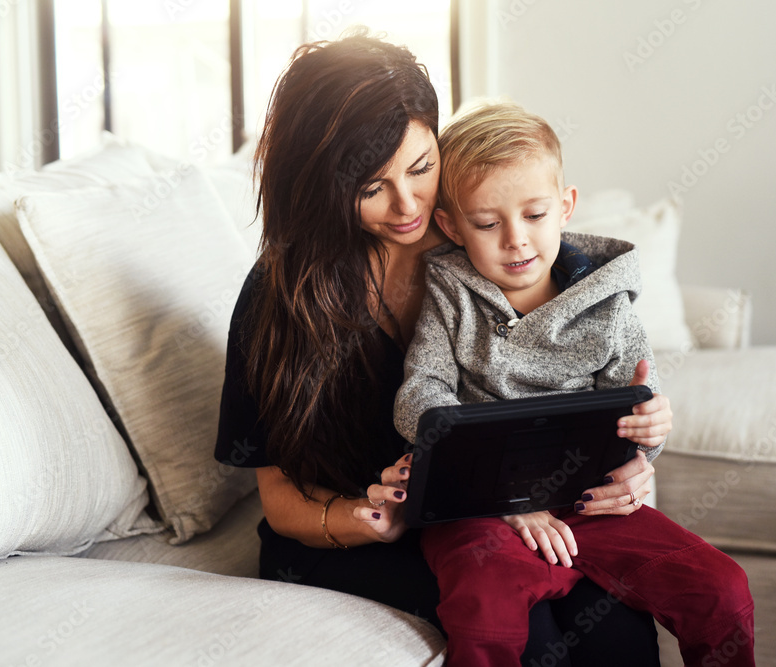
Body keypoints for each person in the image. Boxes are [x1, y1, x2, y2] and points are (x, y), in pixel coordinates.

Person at [213, 31, 672, 665]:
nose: (409, 205)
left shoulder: (485, 251)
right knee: (528, 630)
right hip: (363, 539)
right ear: (319, 185)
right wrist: (360, 519)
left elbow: (578, 402)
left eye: (422, 167)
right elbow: (279, 496)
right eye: (372, 187)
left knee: (618, 625)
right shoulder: (279, 298)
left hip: (497, 519)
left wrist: (629, 465)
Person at [391, 102, 755, 667]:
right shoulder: (449, 292)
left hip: (590, 505)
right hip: (480, 506)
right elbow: (421, 394)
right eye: (487, 224)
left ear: (565, 208)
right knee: (485, 609)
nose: (516, 240)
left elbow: (639, 420)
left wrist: (651, 430)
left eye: (535, 215)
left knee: (722, 589)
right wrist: (495, 490)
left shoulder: (609, 304)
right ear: (452, 227)